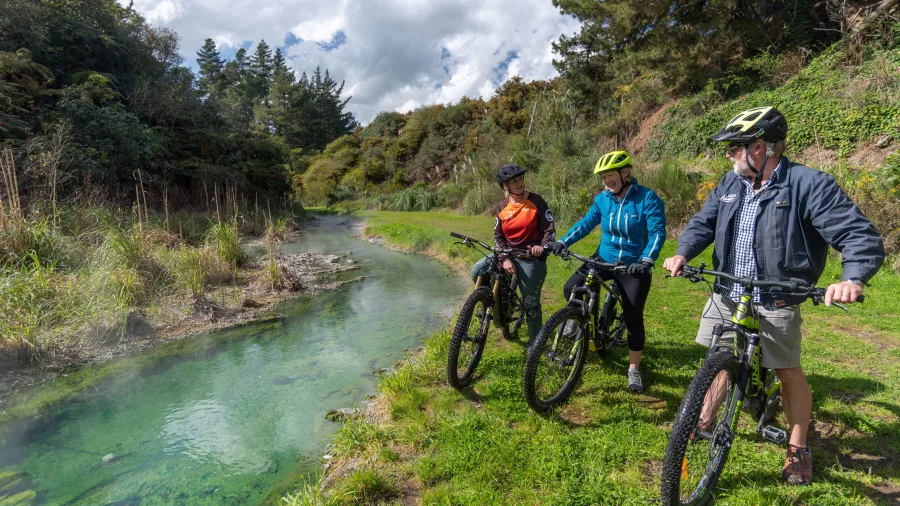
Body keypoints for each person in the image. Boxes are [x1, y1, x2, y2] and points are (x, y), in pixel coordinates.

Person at [662, 106, 884, 485]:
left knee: (786, 370)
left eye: (735, 147)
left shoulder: (808, 184)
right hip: (729, 289)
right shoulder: (731, 184)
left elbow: (857, 234)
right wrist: (683, 251)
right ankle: (706, 415)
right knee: (719, 356)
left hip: (777, 296)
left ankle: (798, 448)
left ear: (760, 147)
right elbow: (704, 222)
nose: (729, 155)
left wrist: (853, 277)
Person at [547, 151, 666, 393]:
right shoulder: (603, 199)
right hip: (604, 257)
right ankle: (577, 320)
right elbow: (585, 224)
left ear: (625, 173)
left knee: (633, 317)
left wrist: (646, 259)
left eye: (610, 176)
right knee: (571, 287)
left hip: (633, 264)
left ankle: (633, 369)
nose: (606, 182)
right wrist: (564, 241)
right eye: (603, 178)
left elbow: (657, 232)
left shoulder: (647, 198)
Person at [469, 164, 555, 347]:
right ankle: (492, 305)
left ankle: (535, 344)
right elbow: (498, 236)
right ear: (505, 186)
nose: (519, 183)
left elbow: (549, 231)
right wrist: (504, 258)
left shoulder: (536, 201)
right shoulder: (502, 206)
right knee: (477, 270)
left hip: (530, 257)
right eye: (513, 181)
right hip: (507, 253)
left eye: (520, 179)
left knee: (530, 304)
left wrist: (542, 247)